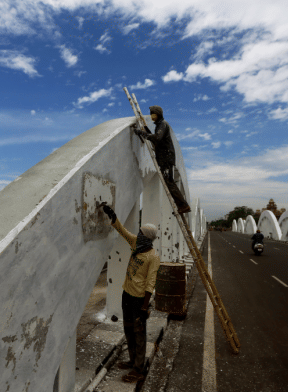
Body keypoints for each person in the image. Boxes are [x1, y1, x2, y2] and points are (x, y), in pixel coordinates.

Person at [101, 203, 160, 383]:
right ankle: (132, 360)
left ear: (147, 237)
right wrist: (113, 216)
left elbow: (150, 283)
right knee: (128, 329)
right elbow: (122, 230)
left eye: (141, 233)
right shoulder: (136, 244)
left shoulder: (152, 257)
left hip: (139, 300)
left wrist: (145, 306)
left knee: (139, 333)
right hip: (126, 294)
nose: (138, 234)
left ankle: (138, 369)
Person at [135, 105, 191, 214]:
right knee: (168, 181)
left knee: (169, 182)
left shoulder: (163, 124)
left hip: (166, 157)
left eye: (153, 113)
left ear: (159, 114)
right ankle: (182, 205)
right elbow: (156, 139)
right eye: (150, 113)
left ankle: (183, 205)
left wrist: (142, 133)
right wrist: (145, 129)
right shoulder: (160, 125)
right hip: (165, 157)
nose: (151, 116)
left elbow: (157, 138)